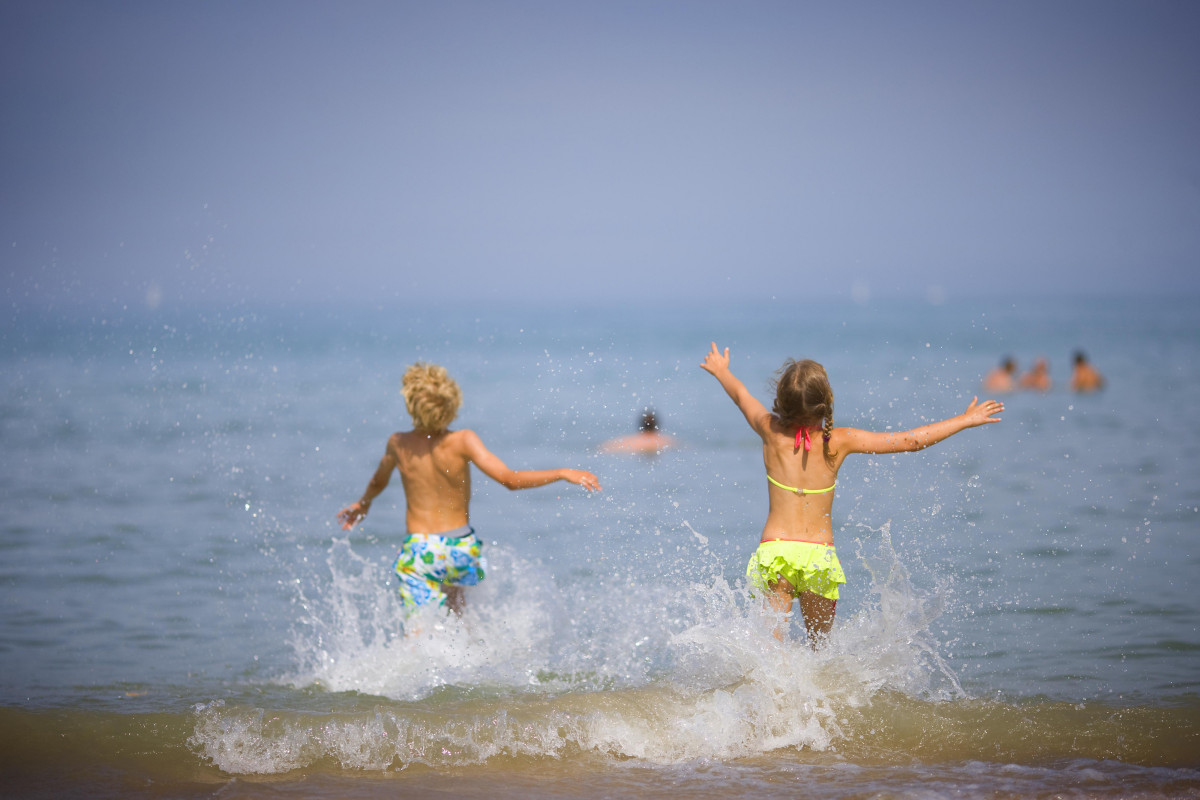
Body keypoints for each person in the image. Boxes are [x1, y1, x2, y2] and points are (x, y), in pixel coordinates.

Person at [700, 342, 1002, 646]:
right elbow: (909, 441)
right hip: (819, 557)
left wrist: (722, 371)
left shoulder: (770, 431)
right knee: (820, 650)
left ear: (781, 400)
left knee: (770, 650)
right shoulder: (839, 441)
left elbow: (741, 395)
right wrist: (965, 420)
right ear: (826, 402)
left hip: (776, 552)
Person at [337, 362, 601, 614]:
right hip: (460, 547)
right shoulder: (463, 440)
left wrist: (364, 503)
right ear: (453, 405)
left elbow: (377, 481)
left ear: (411, 405)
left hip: (421, 548)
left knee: (417, 627)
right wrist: (561, 472)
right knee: (457, 616)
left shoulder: (398, 443)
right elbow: (510, 479)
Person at [598, 409, 676, 454]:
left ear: (641, 425)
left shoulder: (629, 441)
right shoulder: (666, 442)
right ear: (657, 425)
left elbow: (603, 448)